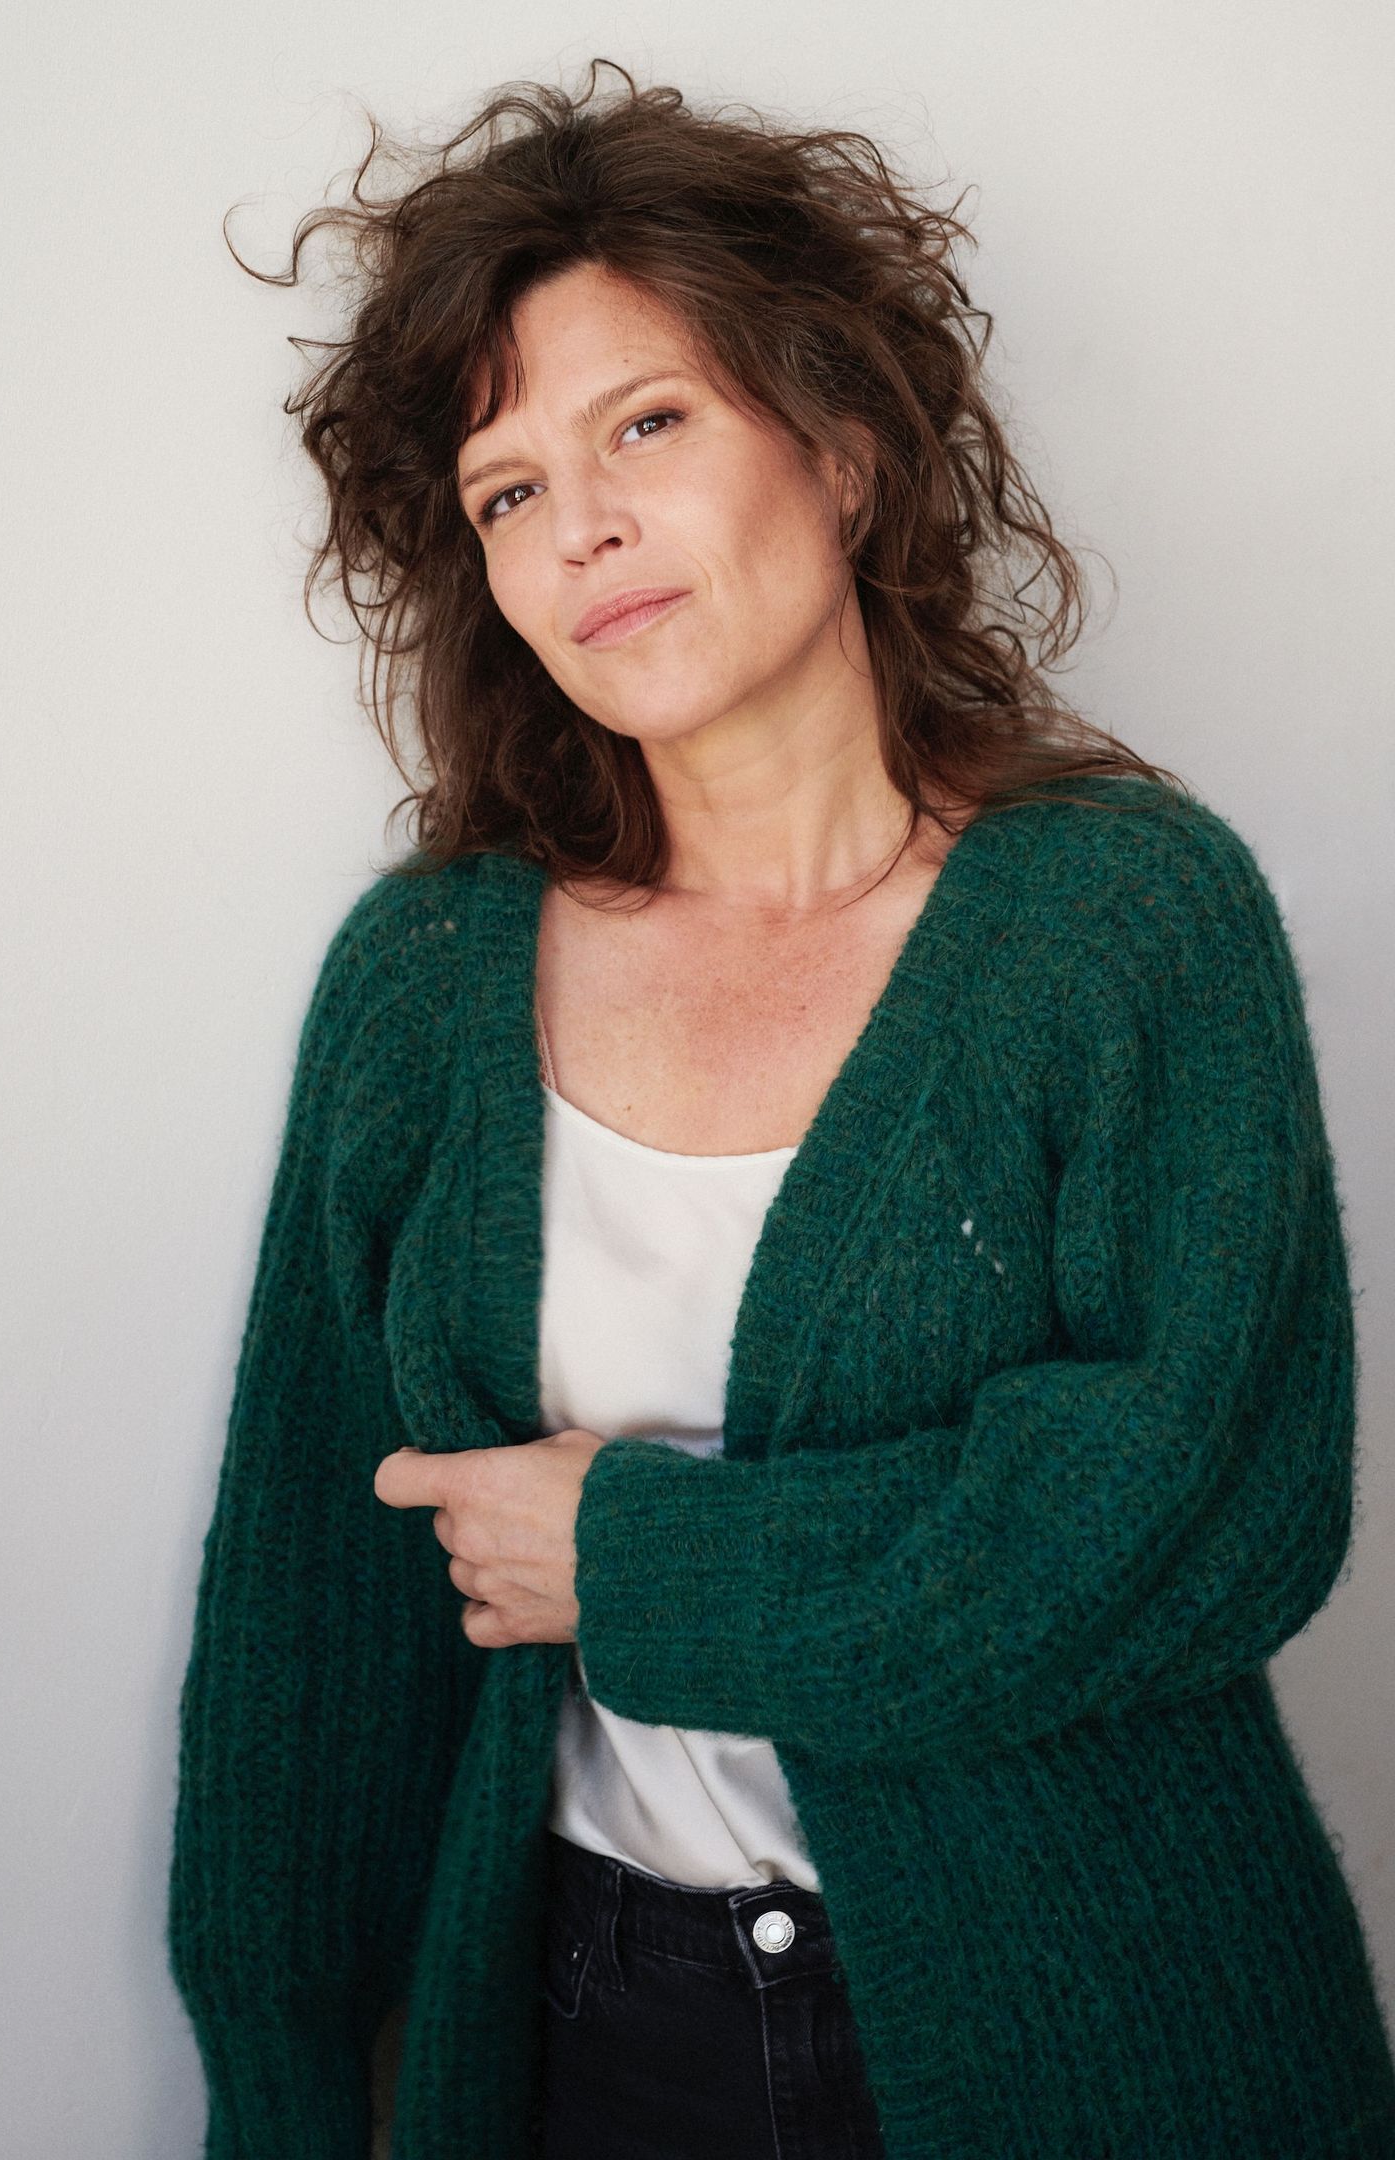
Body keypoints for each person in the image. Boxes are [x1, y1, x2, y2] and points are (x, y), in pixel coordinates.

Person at [167, 59, 1395, 2160]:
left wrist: (640, 1562)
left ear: (840, 445)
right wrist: (279, 2076)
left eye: (645, 424)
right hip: (586, 2040)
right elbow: (317, 1605)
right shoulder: (427, 979)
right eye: (506, 492)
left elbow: (1209, 1509)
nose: (583, 527)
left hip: (1108, 2030)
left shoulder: (1125, 921)